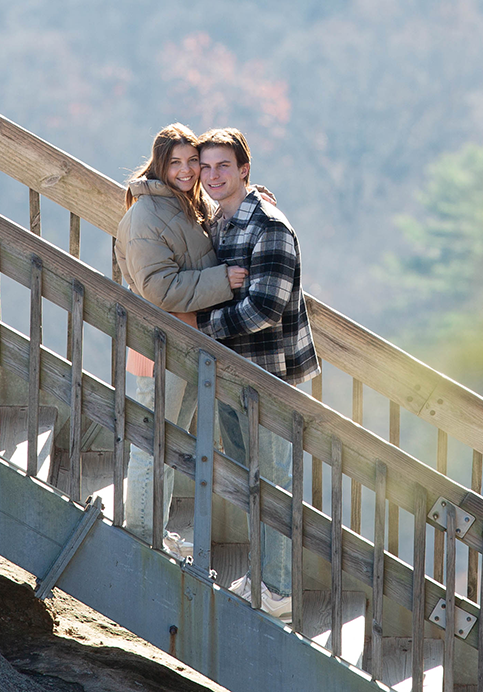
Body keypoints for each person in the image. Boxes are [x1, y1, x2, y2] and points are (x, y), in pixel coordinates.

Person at [192, 127, 319, 615]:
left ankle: (280, 593)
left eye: (223, 165)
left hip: (267, 377)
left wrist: (203, 326)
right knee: (252, 479)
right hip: (231, 373)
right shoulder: (220, 220)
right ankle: (266, 577)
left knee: (273, 482)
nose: (212, 175)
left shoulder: (269, 226)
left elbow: (264, 308)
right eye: (205, 167)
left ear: (245, 169)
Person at [114, 123, 246, 549]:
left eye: (194, 161)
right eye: (178, 162)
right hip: (154, 347)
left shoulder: (186, 206)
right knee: (151, 442)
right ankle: (141, 535)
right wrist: (223, 281)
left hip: (185, 344)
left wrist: (254, 196)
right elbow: (159, 289)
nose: (189, 170)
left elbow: (216, 222)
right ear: (160, 165)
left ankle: (153, 529)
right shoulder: (145, 216)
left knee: (168, 441)